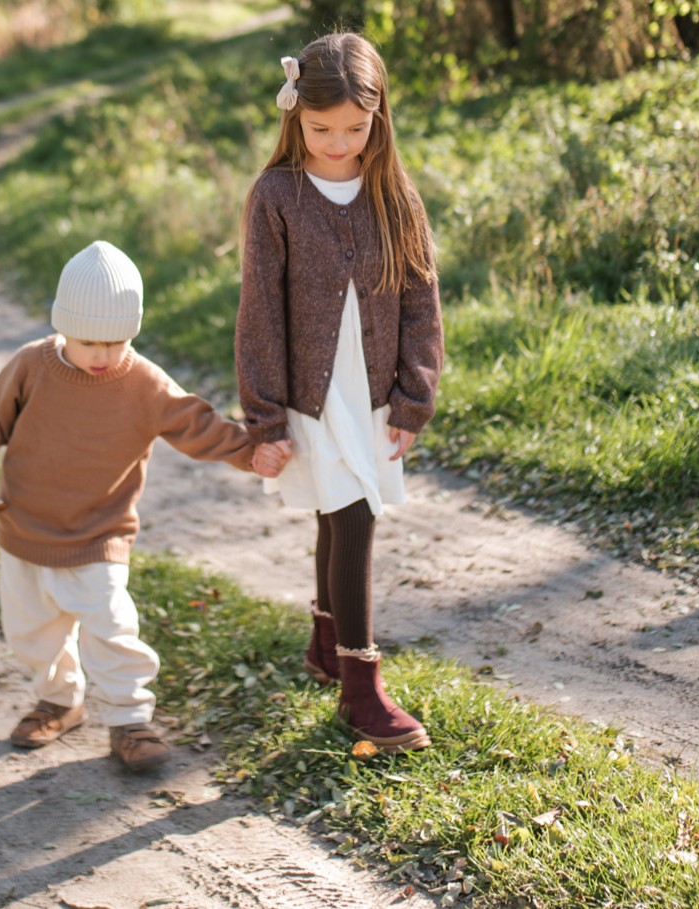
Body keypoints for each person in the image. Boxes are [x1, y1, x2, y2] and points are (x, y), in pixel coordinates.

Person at [0, 240, 287, 772]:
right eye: (88, 342)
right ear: (63, 327)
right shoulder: (30, 366)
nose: (103, 356)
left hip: (100, 532)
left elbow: (199, 426)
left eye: (116, 341)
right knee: (31, 633)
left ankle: (130, 720)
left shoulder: (144, 383)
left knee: (111, 627)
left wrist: (251, 452)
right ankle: (59, 702)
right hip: (24, 529)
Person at [235, 33, 443, 753]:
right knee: (352, 514)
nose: (338, 143)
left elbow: (421, 300)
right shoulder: (277, 197)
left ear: (378, 117)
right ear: (294, 116)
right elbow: (260, 313)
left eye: (355, 128)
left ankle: (326, 646)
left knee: (340, 511)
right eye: (321, 128)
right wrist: (264, 419)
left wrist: (414, 397)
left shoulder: (394, 195)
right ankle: (361, 687)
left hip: (374, 391)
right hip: (312, 397)